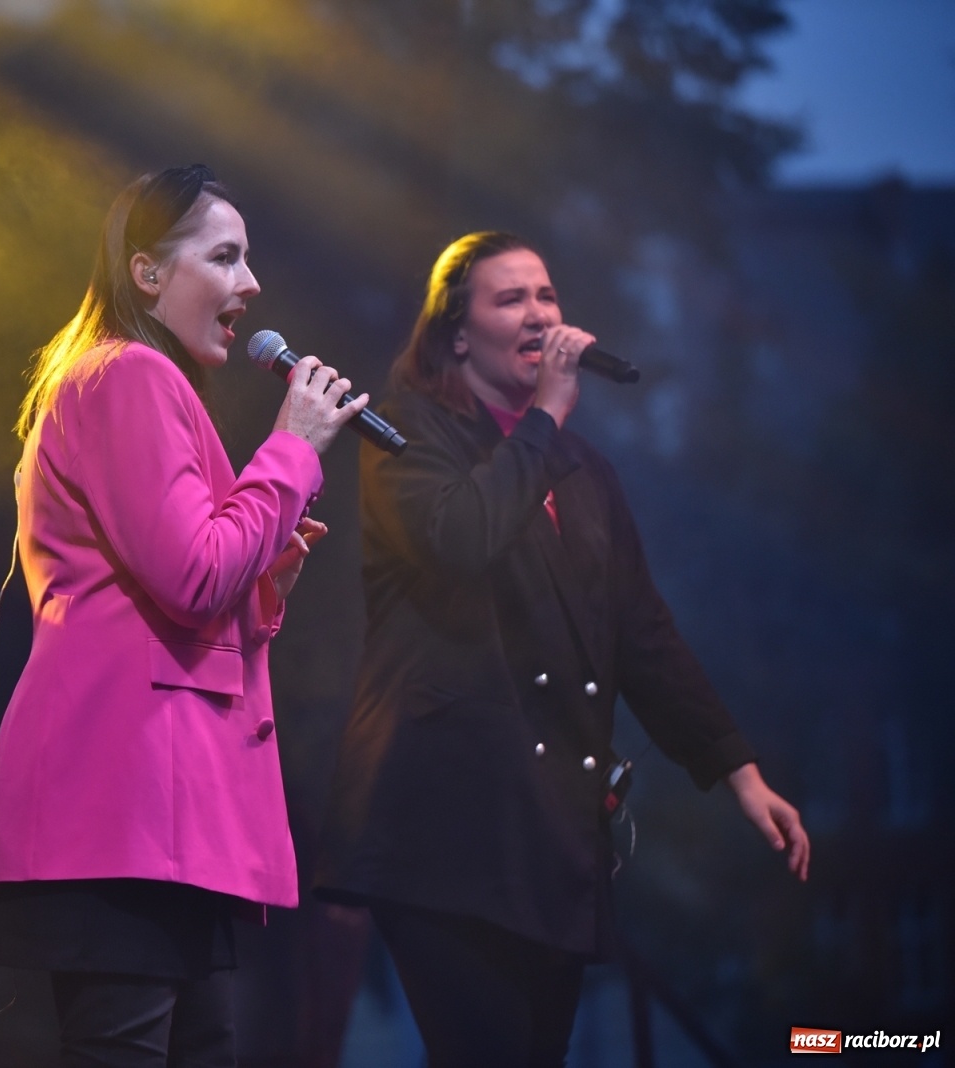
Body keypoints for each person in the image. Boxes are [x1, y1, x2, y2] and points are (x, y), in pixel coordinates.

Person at [314, 231, 809, 1067]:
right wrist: (544, 416)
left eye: (546, 294)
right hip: (445, 835)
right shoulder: (405, 435)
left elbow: (641, 633)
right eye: (511, 298)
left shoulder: (583, 471)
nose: (540, 313)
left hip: (549, 838)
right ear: (457, 334)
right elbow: (463, 539)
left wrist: (738, 769)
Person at [0, 164, 365, 1066]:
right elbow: (192, 575)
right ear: (147, 273)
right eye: (224, 257)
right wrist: (291, 450)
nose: (250, 283)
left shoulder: (135, 379)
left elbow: (179, 592)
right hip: (127, 804)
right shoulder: (129, 376)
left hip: (162, 810)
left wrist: (264, 583)